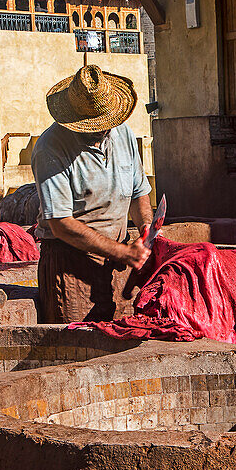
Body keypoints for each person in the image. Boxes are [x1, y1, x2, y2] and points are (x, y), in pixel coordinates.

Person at [32, 65, 152, 324]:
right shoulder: (50, 149)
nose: (104, 129)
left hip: (120, 261)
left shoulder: (123, 133)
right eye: (95, 125)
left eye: (107, 123)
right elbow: (61, 224)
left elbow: (139, 193)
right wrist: (122, 252)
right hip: (71, 263)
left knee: (122, 342)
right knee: (79, 346)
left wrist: (147, 227)